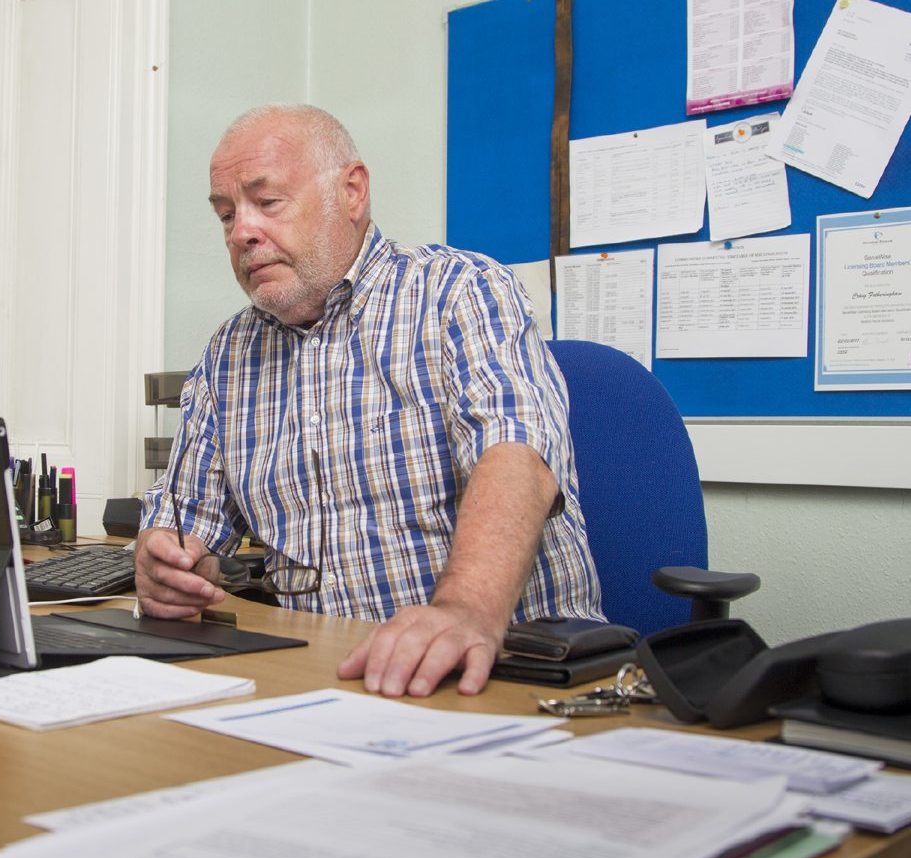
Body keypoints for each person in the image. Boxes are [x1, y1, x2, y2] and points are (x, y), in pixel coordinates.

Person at [135, 104, 602, 698]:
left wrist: (463, 609)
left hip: (501, 669)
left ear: (351, 192)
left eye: (267, 203)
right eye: (226, 215)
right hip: (327, 678)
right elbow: (184, 523)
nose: (241, 232)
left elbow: (518, 458)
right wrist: (164, 564)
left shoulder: (460, 293)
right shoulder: (229, 353)